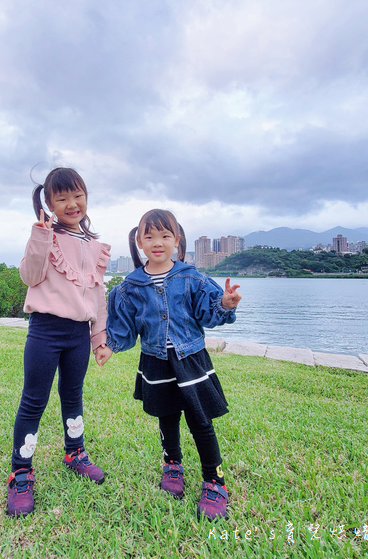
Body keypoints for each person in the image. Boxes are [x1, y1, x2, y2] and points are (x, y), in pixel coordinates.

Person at [98, 209, 241, 521]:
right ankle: (172, 465)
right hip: (156, 361)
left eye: (164, 235)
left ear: (177, 240)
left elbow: (209, 311)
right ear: (139, 242)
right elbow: (124, 328)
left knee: (201, 420)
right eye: (149, 236)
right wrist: (110, 345)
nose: (157, 242)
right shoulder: (129, 287)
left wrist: (225, 303)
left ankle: (214, 480)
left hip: (190, 360)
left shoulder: (191, 277)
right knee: (167, 417)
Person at [7, 167, 112, 517]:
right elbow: (29, 275)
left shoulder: (94, 246)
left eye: (77, 195)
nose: (72, 203)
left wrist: (99, 338)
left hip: (77, 336)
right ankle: (21, 472)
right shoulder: (44, 236)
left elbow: (97, 296)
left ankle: (75, 453)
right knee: (33, 401)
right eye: (62, 198)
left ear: (86, 197)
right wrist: (40, 234)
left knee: (73, 396)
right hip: (45, 331)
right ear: (50, 203)